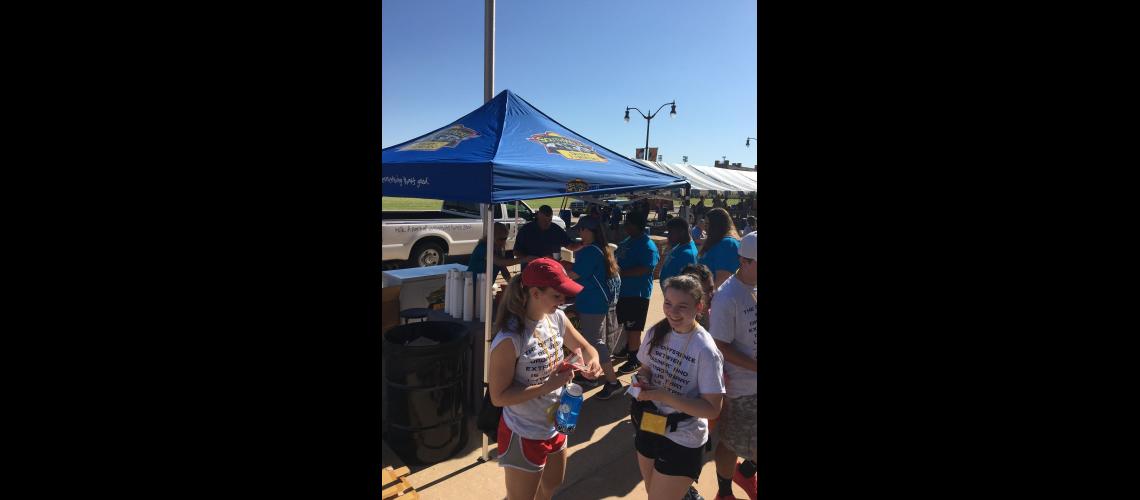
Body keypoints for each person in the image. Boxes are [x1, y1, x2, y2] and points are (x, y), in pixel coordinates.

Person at [488, 258, 605, 500]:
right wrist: (547, 386)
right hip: (524, 430)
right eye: (557, 295)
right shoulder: (510, 339)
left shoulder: (557, 318)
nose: (563, 300)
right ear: (535, 293)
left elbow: (585, 348)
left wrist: (592, 361)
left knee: (551, 484)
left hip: (557, 422)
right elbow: (498, 397)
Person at [630, 275, 725, 500]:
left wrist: (665, 396)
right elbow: (646, 368)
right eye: (668, 303)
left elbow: (712, 409)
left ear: (699, 307)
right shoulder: (657, 332)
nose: (673, 312)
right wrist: (641, 380)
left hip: (684, 435)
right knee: (652, 491)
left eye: (682, 306)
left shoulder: (705, 350)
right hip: (651, 423)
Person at [709, 232, 757, 500]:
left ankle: (746, 473)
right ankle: (725, 492)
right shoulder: (728, 296)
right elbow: (719, 345)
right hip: (742, 388)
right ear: (745, 261)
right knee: (731, 442)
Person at [563, 215, 626, 399]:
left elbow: (574, 275)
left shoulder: (590, 251)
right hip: (594, 301)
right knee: (590, 340)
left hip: (592, 303)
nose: (579, 233)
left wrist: (559, 269)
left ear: (588, 231)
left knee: (594, 341)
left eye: (581, 230)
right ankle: (590, 375)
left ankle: (613, 382)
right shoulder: (598, 248)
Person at [614, 213, 659, 375]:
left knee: (634, 328)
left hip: (637, 293)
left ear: (636, 226)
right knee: (627, 324)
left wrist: (621, 273)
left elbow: (645, 269)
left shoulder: (647, 246)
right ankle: (629, 348)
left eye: (628, 224)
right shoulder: (628, 241)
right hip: (623, 292)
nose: (625, 226)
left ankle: (635, 359)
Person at [515, 205, 580, 273]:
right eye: (544, 220)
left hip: (552, 270)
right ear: (538, 216)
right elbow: (516, 252)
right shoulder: (526, 230)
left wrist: (583, 243)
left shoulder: (556, 230)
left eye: (549, 220)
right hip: (530, 270)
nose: (547, 223)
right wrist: (529, 258)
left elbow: (571, 246)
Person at [697, 208, 742, 288]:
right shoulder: (717, 241)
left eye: (707, 224)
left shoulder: (727, 244)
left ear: (717, 225)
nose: (705, 228)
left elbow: (722, 282)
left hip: (714, 295)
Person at [659, 217, 699, 288]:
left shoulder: (688, 255)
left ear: (682, 232)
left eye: (671, 232)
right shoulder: (679, 245)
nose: (668, 236)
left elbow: (687, 285)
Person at [680, 263, 715, 330]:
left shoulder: (717, 313)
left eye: (711, 289)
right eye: (703, 292)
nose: (710, 295)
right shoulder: (679, 326)